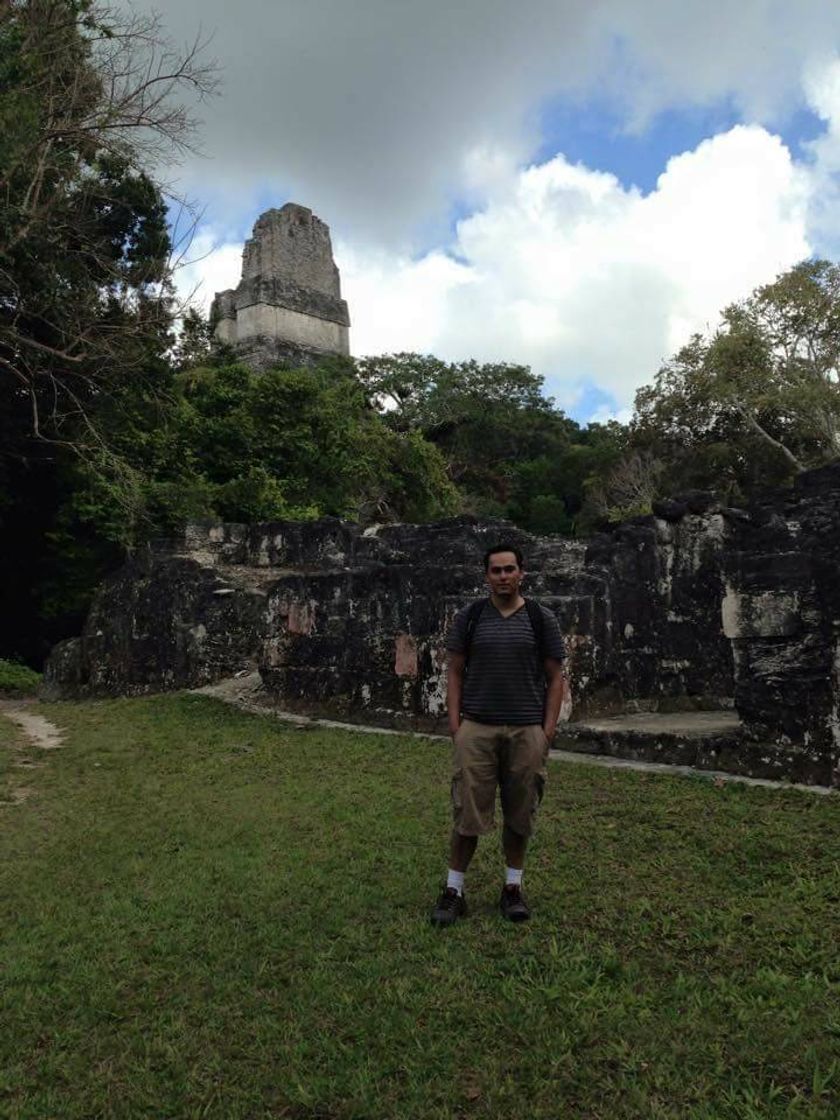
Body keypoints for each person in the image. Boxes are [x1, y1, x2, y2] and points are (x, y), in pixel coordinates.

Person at [431, 544, 567, 926]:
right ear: (486, 575)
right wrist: (457, 725)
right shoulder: (471, 617)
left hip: (526, 729)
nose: (503, 576)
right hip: (478, 727)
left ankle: (512, 888)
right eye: (496, 570)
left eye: (510, 569)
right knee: (467, 812)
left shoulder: (541, 619)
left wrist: (547, 730)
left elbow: (556, 676)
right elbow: (455, 670)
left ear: (522, 573)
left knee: (520, 813)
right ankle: (454, 889)